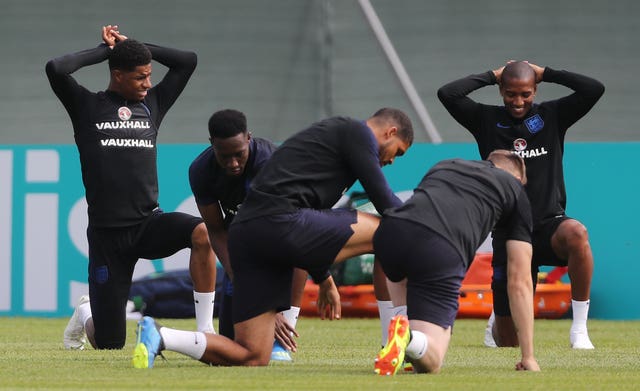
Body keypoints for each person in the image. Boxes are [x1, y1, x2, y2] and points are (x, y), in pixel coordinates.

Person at [131, 107, 413, 368]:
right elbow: (385, 202)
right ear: (389, 132)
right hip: (280, 225)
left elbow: (310, 229)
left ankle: (162, 336)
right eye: (397, 152)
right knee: (392, 231)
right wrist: (427, 225)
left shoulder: (320, 144)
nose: (390, 160)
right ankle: (394, 342)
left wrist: (323, 278)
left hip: (247, 236)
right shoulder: (358, 132)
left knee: (252, 354)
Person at [46, 25, 217, 350]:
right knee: (109, 343)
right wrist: (105, 51)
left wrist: (135, 46)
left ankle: (206, 329)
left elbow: (187, 61)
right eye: (140, 76)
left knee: (202, 233)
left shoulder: (152, 104)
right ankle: (86, 313)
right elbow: (55, 68)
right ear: (118, 75)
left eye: (150, 75)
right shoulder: (86, 107)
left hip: (148, 224)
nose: (148, 83)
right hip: (108, 238)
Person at [437, 61, 605, 349]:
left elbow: (594, 89)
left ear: (535, 90)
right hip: (509, 231)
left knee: (577, 234)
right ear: (501, 90)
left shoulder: (553, 115)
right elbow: (447, 94)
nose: (518, 102)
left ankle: (579, 329)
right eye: (511, 94)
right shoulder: (484, 119)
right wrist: (491, 75)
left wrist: (548, 72)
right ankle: (498, 322)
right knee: (508, 344)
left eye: (526, 94)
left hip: (548, 224)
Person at [373, 150, 539, 374]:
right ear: (518, 179)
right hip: (439, 246)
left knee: (404, 270)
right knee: (432, 360)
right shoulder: (515, 188)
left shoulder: (445, 164)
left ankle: (402, 333)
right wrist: (528, 356)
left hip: (390, 232)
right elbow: (520, 281)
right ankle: (409, 338)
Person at [188, 108, 308, 361]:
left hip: (282, 231)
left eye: (239, 155)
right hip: (239, 239)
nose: (233, 163)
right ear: (212, 145)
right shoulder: (201, 170)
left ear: (249, 138)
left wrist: (270, 305)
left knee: (299, 254)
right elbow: (217, 230)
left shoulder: (269, 164)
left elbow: (281, 230)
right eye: (224, 156)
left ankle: (283, 339)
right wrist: (242, 279)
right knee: (232, 343)